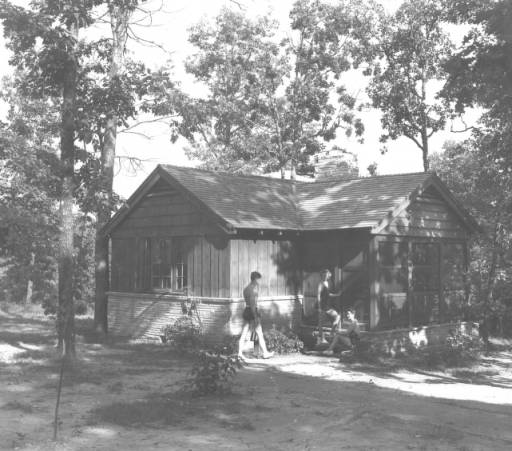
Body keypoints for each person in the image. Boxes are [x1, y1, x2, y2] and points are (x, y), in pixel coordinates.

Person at [238, 271, 274, 360]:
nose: (259, 282)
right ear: (256, 279)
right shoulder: (253, 290)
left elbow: (248, 303)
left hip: (246, 310)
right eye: (259, 280)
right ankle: (265, 353)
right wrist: (255, 316)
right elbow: (253, 304)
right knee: (259, 333)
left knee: (244, 333)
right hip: (252, 311)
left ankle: (239, 353)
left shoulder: (246, 288)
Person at [317, 269, 341, 344]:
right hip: (323, 305)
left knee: (321, 322)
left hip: (327, 305)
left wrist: (337, 295)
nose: (326, 276)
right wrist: (319, 307)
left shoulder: (327, 282)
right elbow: (318, 295)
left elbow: (328, 294)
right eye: (325, 275)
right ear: (322, 275)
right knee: (337, 317)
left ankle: (322, 338)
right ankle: (327, 336)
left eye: (327, 275)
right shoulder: (321, 284)